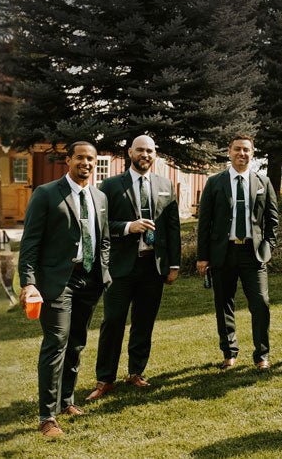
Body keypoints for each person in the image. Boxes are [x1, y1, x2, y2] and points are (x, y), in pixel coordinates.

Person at [19, 141, 112, 438]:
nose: (86, 163)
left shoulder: (100, 196)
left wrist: (104, 271)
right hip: (56, 282)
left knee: (76, 342)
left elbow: (104, 239)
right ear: (68, 160)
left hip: (90, 279)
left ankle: (66, 401)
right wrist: (29, 282)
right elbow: (30, 243)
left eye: (91, 159)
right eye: (80, 158)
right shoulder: (46, 194)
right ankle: (47, 417)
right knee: (56, 341)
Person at [88, 135, 182, 400]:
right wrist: (129, 227)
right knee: (113, 321)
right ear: (130, 152)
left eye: (150, 151)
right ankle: (105, 378)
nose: (145, 154)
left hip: (153, 266)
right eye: (140, 150)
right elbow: (102, 224)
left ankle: (136, 372)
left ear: (155, 154)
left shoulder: (165, 185)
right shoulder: (111, 185)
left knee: (144, 322)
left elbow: (172, 227)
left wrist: (173, 264)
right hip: (120, 267)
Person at [196, 135, 281, 370]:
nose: (241, 153)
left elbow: (273, 220)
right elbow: (205, 223)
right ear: (229, 151)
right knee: (224, 304)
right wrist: (203, 256)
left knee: (261, 303)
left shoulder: (263, 182)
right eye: (237, 149)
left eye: (246, 150)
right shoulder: (215, 183)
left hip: (253, 254)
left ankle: (262, 355)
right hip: (223, 253)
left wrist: (268, 247)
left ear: (252, 153)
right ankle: (229, 352)